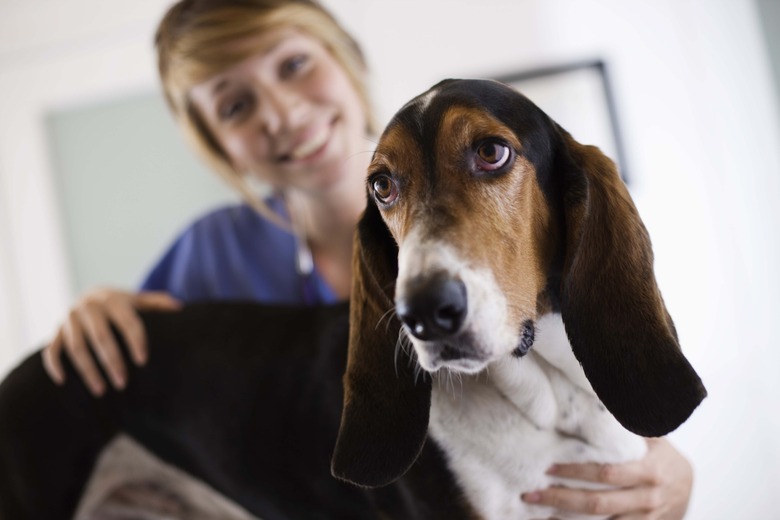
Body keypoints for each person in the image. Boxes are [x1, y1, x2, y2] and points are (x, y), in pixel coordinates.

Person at [42, 0, 694, 518]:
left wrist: (670, 471)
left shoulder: (535, 200)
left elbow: (617, 352)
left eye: (293, 65)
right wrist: (97, 308)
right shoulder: (208, 253)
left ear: (345, 57)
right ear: (218, 144)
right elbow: (162, 368)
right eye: (235, 105)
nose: (283, 111)